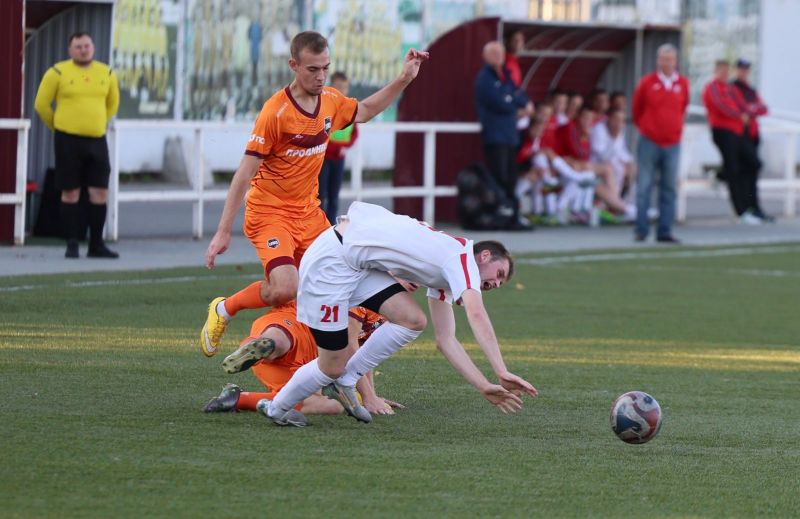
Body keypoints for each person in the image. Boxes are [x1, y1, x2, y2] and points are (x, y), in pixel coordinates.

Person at [200, 31, 429, 356]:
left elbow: (365, 110)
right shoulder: (275, 113)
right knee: (286, 287)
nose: (320, 76)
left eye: (325, 68)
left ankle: (316, 360)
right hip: (269, 213)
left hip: (309, 214)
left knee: (342, 281)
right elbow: (244, 174)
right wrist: (223, 231)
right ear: (293, 65)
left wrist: (404, 79)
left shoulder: (331, 101)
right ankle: (224, 308)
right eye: (312, 69)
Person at [233, 201, 537, 427]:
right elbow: (477, 314)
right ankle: (279, 407)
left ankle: (345, 379)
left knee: (413, 320)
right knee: (331, 366)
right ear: (484, 256)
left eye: (500, 283)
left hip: (358, 265)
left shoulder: (449, 272)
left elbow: (446, 340)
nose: (496, 284)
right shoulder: (461, 260)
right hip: (332, 263)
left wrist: (483, 385)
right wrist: (500, 370)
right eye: (499, 274)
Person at [202, 302, 402, 424]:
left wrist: (371, 396)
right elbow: (350, 345)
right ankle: (255, 347)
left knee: (331, 406)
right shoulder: (362, 289)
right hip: (294, 324)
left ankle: (237, 398)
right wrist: (368, 397)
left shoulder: (391, 307)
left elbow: (361, 355)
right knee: (279, 341)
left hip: (305, 364)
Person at [33, 32, 120, 259]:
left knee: (100, 191)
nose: (83, 50)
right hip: (67, 140)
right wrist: (58, 126)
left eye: (87, 45)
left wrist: (98, 122)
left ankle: (96, 245)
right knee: (70, 191)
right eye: (78, 46)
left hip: (97, 139)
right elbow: (41, 104)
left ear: (93, 47)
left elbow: (113, 103)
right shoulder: (57, 72)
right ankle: (72, 244)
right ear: (70, 50)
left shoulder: (107, 72)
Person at [632, 43, 689, 243]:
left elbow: (683, 108)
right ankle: (641, 229)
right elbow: (637, 110)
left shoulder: (683, 83)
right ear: (658, 61)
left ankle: (664, 230)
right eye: (664, 59)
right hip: (649, 142)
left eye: (670, 59)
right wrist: (648, 128)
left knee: (669, 188)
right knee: (644, 187)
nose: (667, 63)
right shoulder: (647, 83)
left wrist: (674, 130)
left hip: (672, 143)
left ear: (676, 61)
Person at [474, 41, 534, 231]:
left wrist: (519, 102)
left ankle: (512, 215)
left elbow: (518, 95)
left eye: (500, 52)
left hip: (510, 136)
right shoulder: (485, 78)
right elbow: (499, 102)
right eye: (494, 53)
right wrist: (515, 106)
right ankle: (502, 216)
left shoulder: (506, 74)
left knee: (511, 178)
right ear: (485, 56)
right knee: (499, 177)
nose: (498, 56)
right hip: (495, 135)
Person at [702, 60, 762, 224]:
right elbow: (720, 105)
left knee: (753, 163)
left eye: (726, 71)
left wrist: (748, 112)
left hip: (739, 133)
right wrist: (740, 115)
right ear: (715, 71)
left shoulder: (731, 88)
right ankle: (741, 211)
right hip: (723, 132)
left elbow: (746, 105)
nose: (724, 74)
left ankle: (720, 175)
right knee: (734, 169)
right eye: (721, 70)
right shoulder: (712, 87)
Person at [731, 58, 772, 222]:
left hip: (753, 134)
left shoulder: (750, 89)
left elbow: (763, 108)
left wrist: (751, 109)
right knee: (749, 167)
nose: (744, 72)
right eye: (741, 69)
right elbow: (741, 108)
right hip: (741, 135)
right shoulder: (733, 88)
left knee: (752, 172)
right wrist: (751, 109)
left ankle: (754, 207)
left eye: (746, 69)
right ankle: (746, 207)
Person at [318, 71, 358, 224]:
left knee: (334, 195)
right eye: (338, 87)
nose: (342, 91)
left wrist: (345, 146)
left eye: (344, 87)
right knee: (321, 195)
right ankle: (319, 226)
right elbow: (321, 134)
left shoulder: (349, 110)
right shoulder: (326, 108)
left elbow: (354, 133)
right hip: (324, 158)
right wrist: (334, 147)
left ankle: (331, 227)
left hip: (339, 158)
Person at [591, 107, 636, 201]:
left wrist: (629, 162)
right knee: (616, 168)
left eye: (622, 120)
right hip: (596, 163)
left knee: (631, 168)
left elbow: (622, 151)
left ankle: (623, 199)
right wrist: (614, 138)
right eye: (617, 119)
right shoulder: (599, 129)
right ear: (610, 118)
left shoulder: (619, 130)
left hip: (612, 162)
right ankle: (615, 201)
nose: (619, 123)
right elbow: (600, 154)